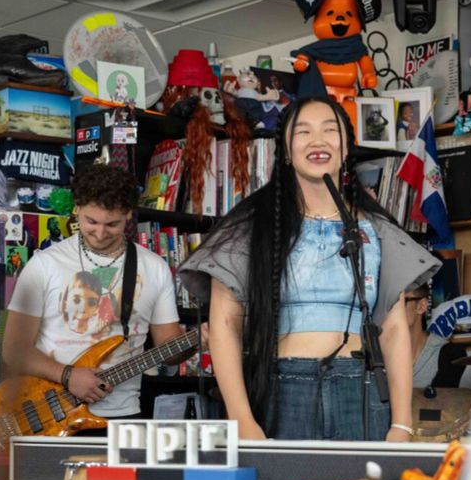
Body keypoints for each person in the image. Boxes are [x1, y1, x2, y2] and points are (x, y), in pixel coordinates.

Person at [179, 95, 440, 441]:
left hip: (361, 390)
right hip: (284, 390)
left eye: (329, 130)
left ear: (346, 147)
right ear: (285, 151)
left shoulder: (376, 229)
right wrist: (242, 419)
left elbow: (393, 330)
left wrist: (402, 424)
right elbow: (224, 323)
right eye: (303, 132)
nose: (317, 140)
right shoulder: (252, 226)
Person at [2, 166, 183, 424]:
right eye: (91, 222)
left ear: (129, 214)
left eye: (112, 224)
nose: (100, 233)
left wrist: (200, 341)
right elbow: (14, 349)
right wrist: (67, 376)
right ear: (77, 208)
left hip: (122, 416)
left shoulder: (154, 268)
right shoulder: (44, 264)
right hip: (50, 414)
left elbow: (169, 349)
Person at [405, 284, 471, 390]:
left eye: (400, 303)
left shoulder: (448, 357)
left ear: (421, 306)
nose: (391, 310)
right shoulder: (378, 355)